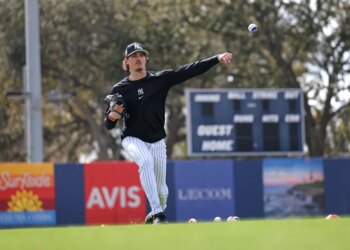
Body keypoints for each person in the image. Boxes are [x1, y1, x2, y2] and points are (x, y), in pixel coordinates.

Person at [104, 42, 232, 224]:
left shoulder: (159, 79)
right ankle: (158, 214)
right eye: (133, 56)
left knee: (163, 191)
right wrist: (114, 114)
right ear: (126, 62)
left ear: (145, 59)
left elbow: (188, 70)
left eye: (141, 55)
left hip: (157, 140)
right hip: (132, 138)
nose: (138, 58)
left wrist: (216, 59)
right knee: (145, 161)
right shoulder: (119, 89)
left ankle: (154, 214)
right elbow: (109, 125)